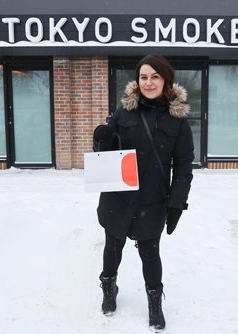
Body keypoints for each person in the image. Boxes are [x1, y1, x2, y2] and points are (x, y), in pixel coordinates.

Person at [92, 54, 194, 331]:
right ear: (137, 81)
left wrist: (176, 204)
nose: (148, 82)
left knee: (150, 254)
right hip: (118, 197)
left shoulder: (179, 121)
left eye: (155, 77)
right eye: (143, 77)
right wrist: (102, 137)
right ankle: (108, 287)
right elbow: (106, 151)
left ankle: (154, 302)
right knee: (112, 248)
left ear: (166, 80)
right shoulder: (123, 112)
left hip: (152, 201)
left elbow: (184, 166)